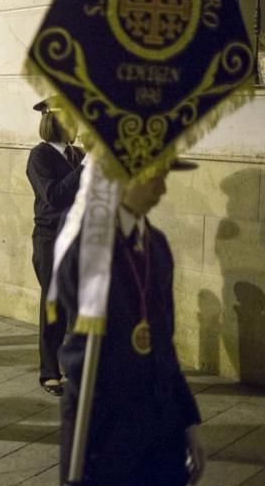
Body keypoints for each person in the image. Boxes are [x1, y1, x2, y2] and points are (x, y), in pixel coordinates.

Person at [57, 160, 205, 485]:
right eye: (155, 178)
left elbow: (164, 343)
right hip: (105, 431)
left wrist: (187, 420)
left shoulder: (157, 245)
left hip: (162, 427)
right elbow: (70, 273)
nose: (163, 190)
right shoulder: (87, 238)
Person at [26, 97, 84, 396]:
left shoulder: (79, 154)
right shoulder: (40, 156)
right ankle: (50, 372)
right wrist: (86, 167)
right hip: (51, 238)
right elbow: (54, 195)